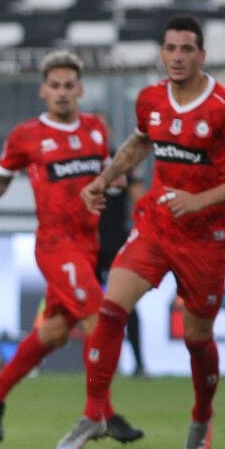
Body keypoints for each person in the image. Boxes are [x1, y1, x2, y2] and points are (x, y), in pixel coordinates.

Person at [57, 16, 225, 449]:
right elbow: (139, 143)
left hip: (205, 238)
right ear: (161, 53)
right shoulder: (151, 99)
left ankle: (201, 415)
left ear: (202, 56)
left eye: (186, 49)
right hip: (156, 224)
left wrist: (200, 200)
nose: (176, 57)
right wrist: (104, 179)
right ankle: (95, 413)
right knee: (110, 308)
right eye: (170, 48)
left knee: (196, 338)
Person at [0, 50, 143, 446]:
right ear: (43, 91)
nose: (63, 93)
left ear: (80, 90)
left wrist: (111, 187)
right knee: (99, 319)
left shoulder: (96, 130)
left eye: (70, 86)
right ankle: (100, 413)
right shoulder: (26, 135)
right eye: (56, 86)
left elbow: (109, 178)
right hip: (54, 245)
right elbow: (2, 177)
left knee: (52, 333)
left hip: (87, 245)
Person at [97, 160, 147, 377]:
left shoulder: (123, 160)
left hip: (115, 244)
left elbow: (140, 200)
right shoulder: (81, 157)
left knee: (125, 306)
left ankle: (138, 364)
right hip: (86, 245)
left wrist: (142, 232)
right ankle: (100, 365)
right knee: (87, 306)